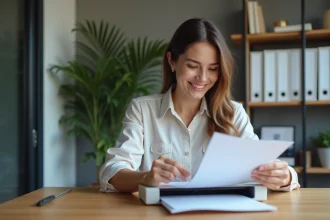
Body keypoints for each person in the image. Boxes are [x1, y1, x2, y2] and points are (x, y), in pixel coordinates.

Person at [99, 18, 300, 193]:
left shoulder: (233, 113)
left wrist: (285, 177)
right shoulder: (142, 110)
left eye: (213, 69)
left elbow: (262, 166)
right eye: (193, 66)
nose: (203, 78)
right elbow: (112, 170)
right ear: (172, 61)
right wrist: (145, 177)